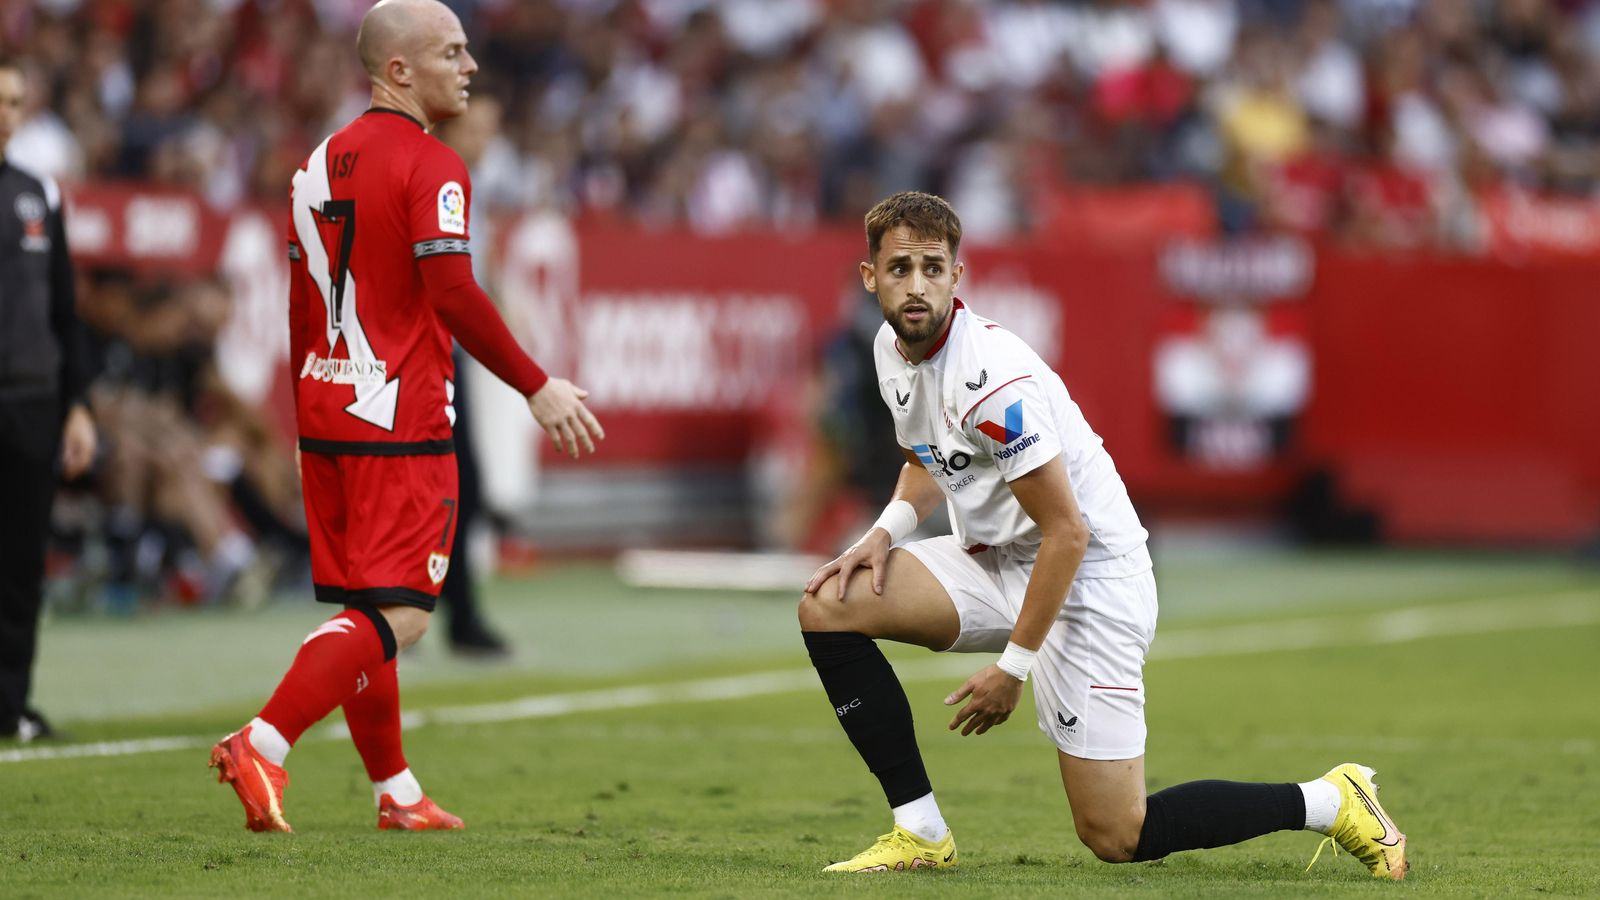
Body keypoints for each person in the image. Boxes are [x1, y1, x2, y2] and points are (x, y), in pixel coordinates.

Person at [797, 191, 1407, 879]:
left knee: (1117, 833)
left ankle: (1331, 799)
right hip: (999, 559)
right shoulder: (891, 347)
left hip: (1089, 580)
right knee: (826, 606)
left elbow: (1068, 532)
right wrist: (885, 531)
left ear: (957, 277)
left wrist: (1012, 670)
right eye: (900, 267)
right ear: (870, 276)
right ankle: (921, 832)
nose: (917, 285)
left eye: (933, 268)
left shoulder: (992, 383)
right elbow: (928, 458)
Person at [208, 0, 603, 833]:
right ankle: (264, 742)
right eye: (452, 53)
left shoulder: (315, 162)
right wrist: (535, 384)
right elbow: (452, 289)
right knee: (403, 615)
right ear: (399, 71)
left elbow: (305, 299)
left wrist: (313, 401)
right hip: (396, 417)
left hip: (325, 409)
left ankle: (396, 792)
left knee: (363, 610)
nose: (469, 67)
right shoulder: (433, 165)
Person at [0, 55, 97, 743]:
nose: (7, 113)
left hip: (32, 402)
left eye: (13, 100)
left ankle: (9, 706)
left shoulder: (40, 194)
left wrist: (78, 404)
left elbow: (66, 311)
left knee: (20, 566)